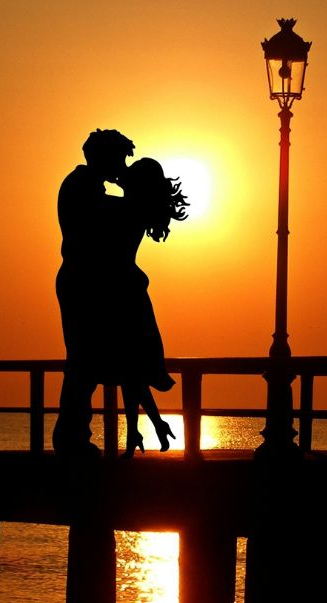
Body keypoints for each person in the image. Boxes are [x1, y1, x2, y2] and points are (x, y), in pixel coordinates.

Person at [52, 129, 133, 457]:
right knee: (83, 361)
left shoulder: (84, 185)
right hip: (81, 281)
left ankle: (73, 436)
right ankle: (71, 439)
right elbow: (110, 216)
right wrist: (136, 198)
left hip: (84, 280)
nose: (122, 167)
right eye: (119, 159)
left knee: (84, 361)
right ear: (105, 157)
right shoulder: (82, 187)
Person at [112, 157, 188, 458]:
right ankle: (143, 427)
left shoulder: (125, 210)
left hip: (122, 292)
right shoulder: (139, 210)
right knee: (131, 368)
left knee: (128, 367)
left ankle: (141, 429)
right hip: (130, 290)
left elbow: (108, 201)